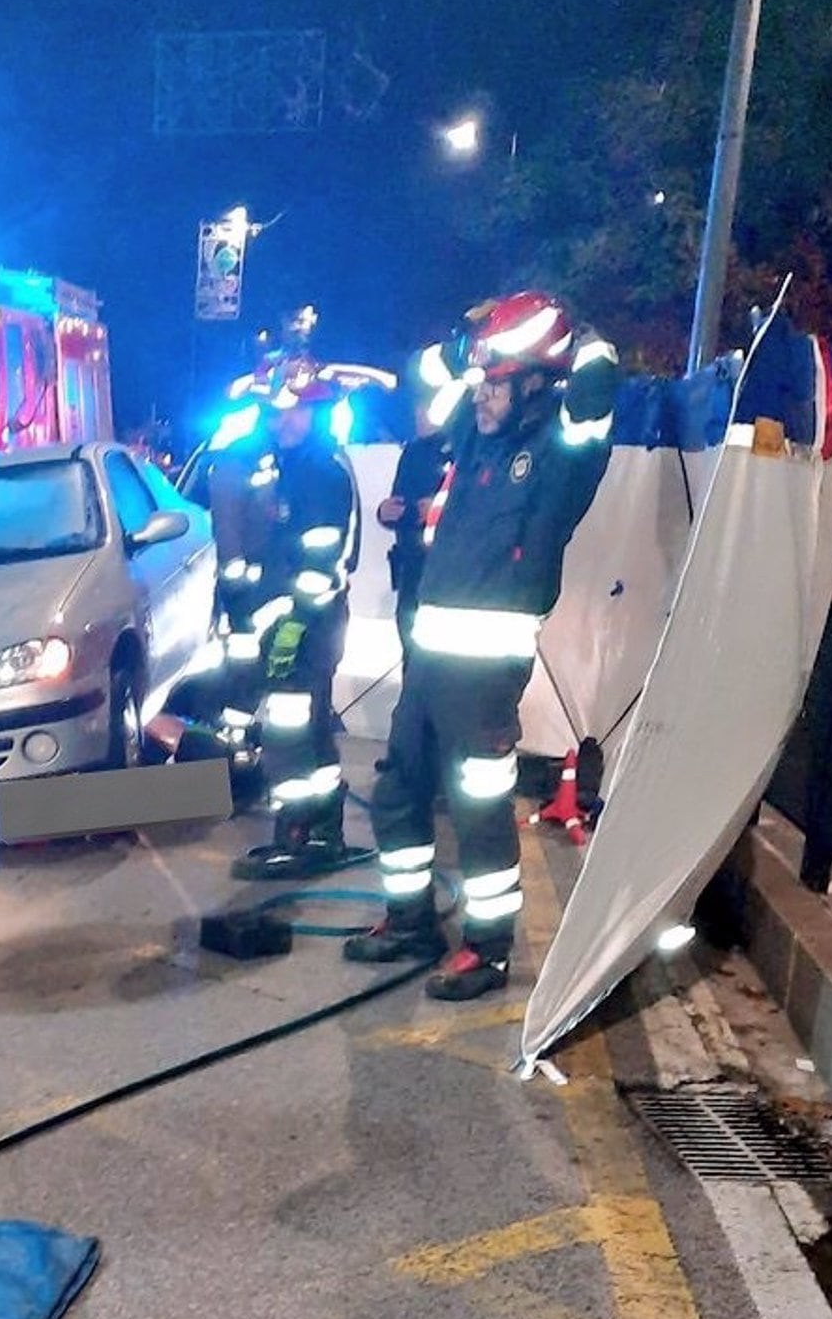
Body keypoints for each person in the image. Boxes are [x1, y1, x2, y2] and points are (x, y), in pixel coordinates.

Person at [343, 290, 619, 1001]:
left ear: (534, 382)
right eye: (483, 379)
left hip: (486, 675)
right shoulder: (475, 436)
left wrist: (573, 335)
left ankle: (487, 949)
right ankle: (409, 922)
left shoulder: (562, 454)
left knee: (478, 808)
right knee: (400, 789)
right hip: (429, 663)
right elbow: (423, 372)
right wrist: (469, 343)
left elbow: (595, 385)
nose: (480, 392)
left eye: (496, 380)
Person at [217, 371, 362, 880]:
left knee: (287, 735)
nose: (283, 421)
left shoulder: (321, 474)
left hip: (306, 625)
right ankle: (320, 832)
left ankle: (297, 834)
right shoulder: (292, 466)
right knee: (312, 732)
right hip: (301, 625)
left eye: (294, 411)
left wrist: (292, 626)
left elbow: (319, 562)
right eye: (277, 412)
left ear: (317, 414)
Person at [377, 347, 455, 661]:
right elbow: (401, 502)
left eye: (424, 405)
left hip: (446, 575)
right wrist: (386, 512)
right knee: (410, 647)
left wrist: (438, 511)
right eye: (416, 405)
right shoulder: (413, 453)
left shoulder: (464, 451)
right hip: (411, 570)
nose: (418, 413)